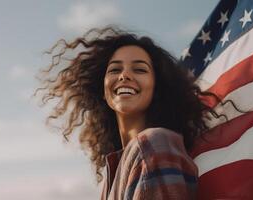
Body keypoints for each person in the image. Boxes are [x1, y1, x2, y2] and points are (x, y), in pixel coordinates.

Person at [37, 27, 222, 199]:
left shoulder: (153, 144)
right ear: (102, 90)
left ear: (157, 88)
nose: (124, 75)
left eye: (140, 69)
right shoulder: (121, 166)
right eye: (115, 69)